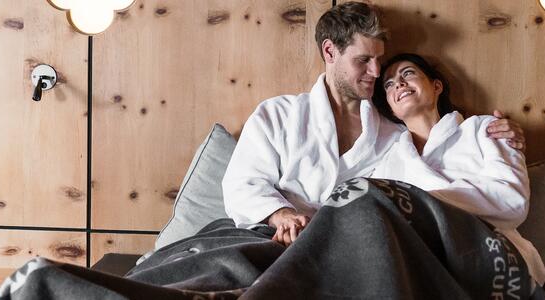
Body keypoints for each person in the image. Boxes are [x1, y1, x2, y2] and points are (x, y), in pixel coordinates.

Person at [222, 1, 526, 246]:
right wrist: (281, 214)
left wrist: (509, 137)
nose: (377, 72)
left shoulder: (394, 136)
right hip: (271, 234)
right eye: (364, 60)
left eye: (379, 60)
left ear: (437, 85)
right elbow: (241, 183)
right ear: (330, 51)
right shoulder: (278, 115)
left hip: (346, 246)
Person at [369, 53, 545, 286]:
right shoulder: (388, 164)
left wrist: (418, 205)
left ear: (436, 86)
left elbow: (512, 201)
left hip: (489, 253)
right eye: (389, 84)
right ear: (392, 109)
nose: (399, 84)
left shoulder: (485, 129)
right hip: (417, 265)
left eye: (408, 73)